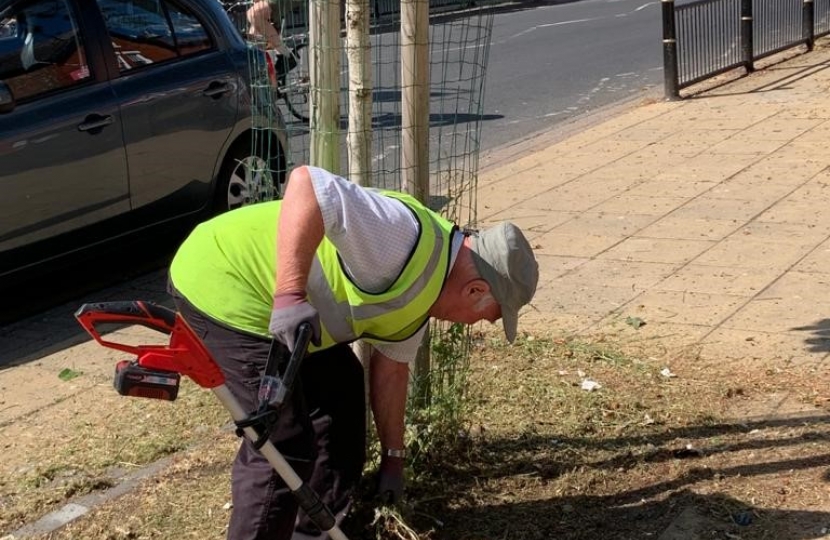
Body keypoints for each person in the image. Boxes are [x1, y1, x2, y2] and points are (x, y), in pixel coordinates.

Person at [167, 165, 539, 540]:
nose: (476, 325)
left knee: (342, 397)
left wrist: (394, 458)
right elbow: (307, 183)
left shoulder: (424, 299)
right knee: (280, 443)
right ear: (475, 291)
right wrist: (290, 295)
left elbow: (391, 370)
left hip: (284, 320)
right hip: (225, 283)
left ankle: (314, 534)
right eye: (489, 317)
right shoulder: (401, 237)